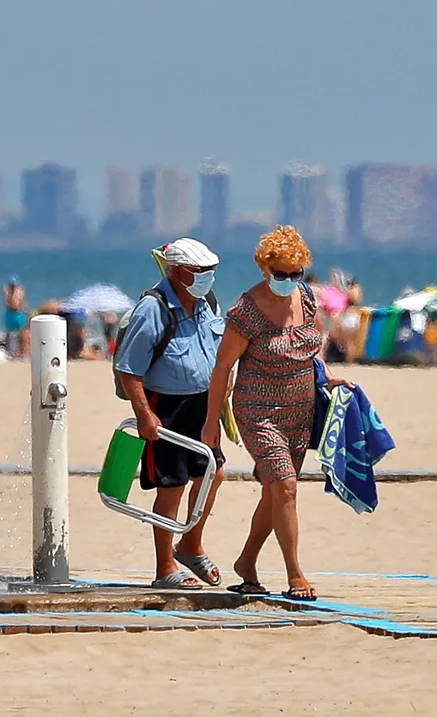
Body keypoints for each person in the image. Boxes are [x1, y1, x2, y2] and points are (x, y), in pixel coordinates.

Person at [204, 226, 349, 602]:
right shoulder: (245, 312)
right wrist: (211, 424)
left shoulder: (305, 297)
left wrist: (327, 376)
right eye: (280, 273)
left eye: (295, 273)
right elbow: (222, 368)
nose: (288, 280)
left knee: (275, 492)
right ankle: (295, 574)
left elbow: (310, 345)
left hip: (301, 408)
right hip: (258, 409)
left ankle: (247, 562)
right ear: (264, 268)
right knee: (285, 486)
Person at [114, 238, 226, 590]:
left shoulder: (207, 302)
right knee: (172, 486)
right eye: (200, 272)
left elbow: (217, 351)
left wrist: (219, 408)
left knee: (214, 474)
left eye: (210, 271)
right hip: (167, 405)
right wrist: (145, 414)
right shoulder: (154, 307)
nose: (207, 278)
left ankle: (190, 544)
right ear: (178, 272)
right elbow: (128, 369)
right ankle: (165, 568)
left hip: (204, 403)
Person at [4, 276, 31, 358]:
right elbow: (10, 303)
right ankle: (11, 352)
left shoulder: (19, 291)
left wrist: (27, 312)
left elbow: (22, 303)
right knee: (10, 333)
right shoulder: (8, 291)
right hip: (11, 314)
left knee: (22, 333)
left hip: (17, 314)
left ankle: (22, 352)